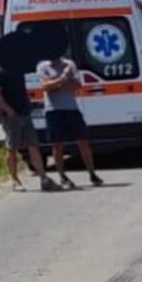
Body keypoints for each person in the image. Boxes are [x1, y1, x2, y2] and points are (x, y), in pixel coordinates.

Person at [36, 54, 104, 189]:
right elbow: (44, 86)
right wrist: (63, 78)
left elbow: (77, 85)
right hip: (53, 110)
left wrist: (56, 83)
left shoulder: (69, 64)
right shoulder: (43, 66)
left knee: (83, 141)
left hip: (71, 108)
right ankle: (62, 177)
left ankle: (92, 173)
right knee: (57, 145)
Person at [0, 60, 59, 192]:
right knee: (12, 147)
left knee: (33, 145)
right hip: (11, 115)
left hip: (24, 111)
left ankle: (43, 178)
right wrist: (8, 109)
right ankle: (14, 180)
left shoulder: (18, 68)